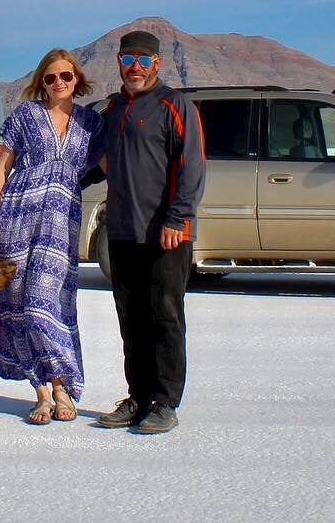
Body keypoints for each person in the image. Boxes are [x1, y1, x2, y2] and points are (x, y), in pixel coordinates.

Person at [0, 48, 104, 425]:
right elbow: (2, 169)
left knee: (47, 305)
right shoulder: (26, 116)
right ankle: (42, 393)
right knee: (19, 305)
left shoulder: (91, 123)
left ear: (77, 79)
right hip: (17, 217)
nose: (58, 83)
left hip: (61, 223)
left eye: (65, 76)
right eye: (50, 78)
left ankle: (63, 385)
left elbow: (113, 164)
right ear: (41, 82)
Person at [93, 30, 205, 434]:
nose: (135, 67)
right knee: (132, 318)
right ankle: (138, 396)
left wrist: (179, 219)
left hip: (164, 234)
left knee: (165, 317)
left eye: (143, 60)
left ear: (157, 63)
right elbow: (92, 163)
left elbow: (191, 166)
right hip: (123, 232)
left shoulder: (174, 105)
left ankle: (164, 402)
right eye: (128, 60)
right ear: (119, 62)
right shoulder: (113, 108)